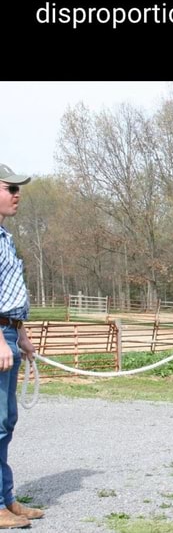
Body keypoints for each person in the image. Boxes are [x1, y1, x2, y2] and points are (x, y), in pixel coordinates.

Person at [0, 164, 44, 529]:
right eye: (9, 188)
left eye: (18, 189)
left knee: (6, 421)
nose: (17, 194)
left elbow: (8, 293)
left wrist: (21, 333)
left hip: (9, 332)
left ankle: (7, 499)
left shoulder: (5, 237)